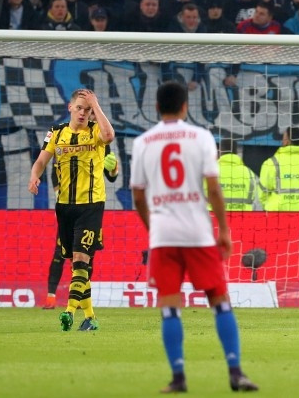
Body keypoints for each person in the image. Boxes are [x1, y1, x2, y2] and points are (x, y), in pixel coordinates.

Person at [130, 82, 258, 393]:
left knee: (169, 306)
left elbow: (137, 196)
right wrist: (224, 231)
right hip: (198, 233)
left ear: (157, 108)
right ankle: (236, 372)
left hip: (164, 235)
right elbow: (213, 189)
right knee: (219, 301)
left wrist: (154, 229)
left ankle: (178, 377)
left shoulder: (143, 142)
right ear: (186, 106)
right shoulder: (200, 137)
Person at [27, 89, 115, 332]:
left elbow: (109, 136)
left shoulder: (96, 131)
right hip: (64, 207)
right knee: (75, 263)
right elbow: (41, 161)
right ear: (70, 107)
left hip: (91, 205)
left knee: (80, 261)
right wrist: (34, 176)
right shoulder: (57, 133)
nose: (83, 113)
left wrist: (96, 104)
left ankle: (68, 312)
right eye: (80, 108)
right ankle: (91, 318)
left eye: (87, 110)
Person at [40, 151, 119, 310]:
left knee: (87, 255)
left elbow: (111, 176)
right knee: (60, 253)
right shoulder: (64, 136)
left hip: (91, 208)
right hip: (69, 208)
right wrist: (59, 197)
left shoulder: (101, 136)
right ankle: (51, 297)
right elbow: (55, 172)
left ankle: (80, 301)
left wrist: (113, 170)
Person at [259, 127, 299, 212]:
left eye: (283, 138)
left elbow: (263, 193)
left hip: (278, 217)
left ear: (286, 140)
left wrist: (270, 208)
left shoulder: (271, 163)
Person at [217, 138, 261, 212]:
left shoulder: (210, 173)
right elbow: (258, 203)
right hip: (242, 221)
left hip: (215, 220)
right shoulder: (250, 174)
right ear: (236, 152)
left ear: (220, 151)